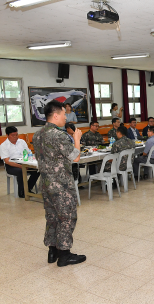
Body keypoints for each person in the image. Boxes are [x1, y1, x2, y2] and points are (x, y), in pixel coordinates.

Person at [33, 100, 85, 267]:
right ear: (55, 115)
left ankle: (52, 251)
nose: (65, 117)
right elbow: (75, 157)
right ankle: (64, 255)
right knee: (67, 217)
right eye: (63, 114)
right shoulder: (58, 135)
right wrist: (76, 139)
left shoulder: (37, 134)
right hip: (61, 185)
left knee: (52, 217)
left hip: (46, 183)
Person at [0, 126, 40, 198]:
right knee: (20, 171)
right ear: (7, 135)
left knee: (37, 170)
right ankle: (21, 192)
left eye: (16, 135)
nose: (15, 137)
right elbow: (7, 161)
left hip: (24, 162)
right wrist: (21, 166)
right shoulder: (3, 145)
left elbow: (28, 153)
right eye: (13, 135)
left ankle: (27, 189)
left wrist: (29, 162)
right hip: (11, 165)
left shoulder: (22, 142)